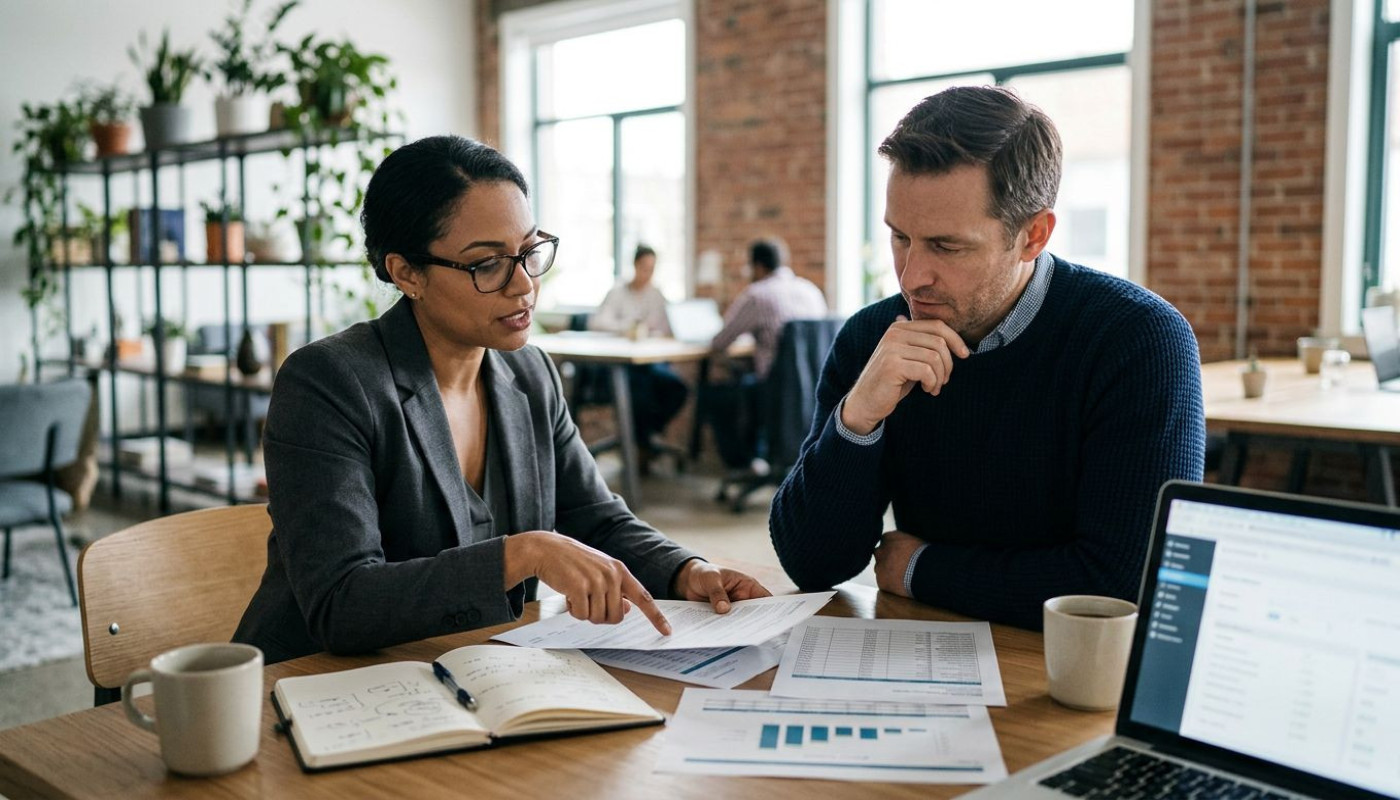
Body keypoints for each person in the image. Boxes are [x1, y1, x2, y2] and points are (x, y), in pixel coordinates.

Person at [233, 136, 769, 664]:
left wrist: (686, 570)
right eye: (487, 263)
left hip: (467, 668)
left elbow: (595, 517)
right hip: (313, 682)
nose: (524, 285)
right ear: (406, 273)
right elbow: (342, 603)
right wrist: (522, 554)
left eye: (530, 252)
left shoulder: (529, 373)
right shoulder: (329, 382)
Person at [769, 86, 1205, 630]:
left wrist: (921, 569)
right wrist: (857, 420)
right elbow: (812, 565)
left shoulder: (1138, 340)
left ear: (1033, 236)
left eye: (946, 246)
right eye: (900, 237)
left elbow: (1129, 582)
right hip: (923, 651)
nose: (911, 277)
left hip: (1068, 669)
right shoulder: (872, 339)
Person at [704, 238, 828, 473]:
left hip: (775, 389)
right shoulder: (810, 291)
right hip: (813, 388)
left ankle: (745, 463)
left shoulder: (757, 294)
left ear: (758, 267)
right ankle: (768, 460)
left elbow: (720, 341)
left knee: (716, 395)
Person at [587, 245, 689, 452]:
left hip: (649, 362)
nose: (647, 273)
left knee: (676, 388)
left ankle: (644, 437)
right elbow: (596, 322)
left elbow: (669, 326)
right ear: (635, 265)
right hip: (622, 364)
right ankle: (640, 445)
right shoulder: (617, 292)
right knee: (640, 390)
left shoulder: (657, 295)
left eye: (651, 269)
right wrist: (627, 327)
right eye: (644, 268)